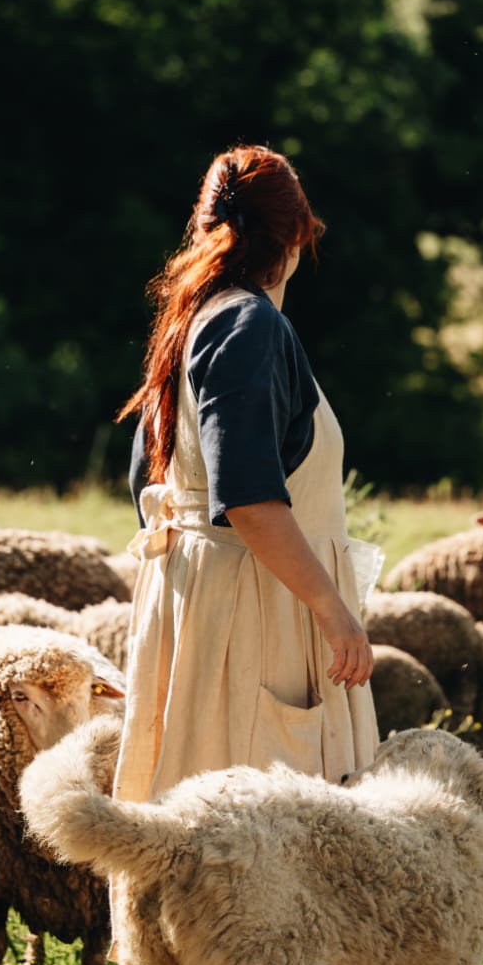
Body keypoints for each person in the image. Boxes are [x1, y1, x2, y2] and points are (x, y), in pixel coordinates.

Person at [115, 144, 379, 810]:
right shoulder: (247, 324)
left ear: (203, 228)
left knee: (189, 802)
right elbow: (252, 499)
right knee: (263, 820)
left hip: (200, 597)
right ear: (296, 234)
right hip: (256, 609)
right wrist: (331, 610)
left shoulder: (192, 317)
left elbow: (147, 481)